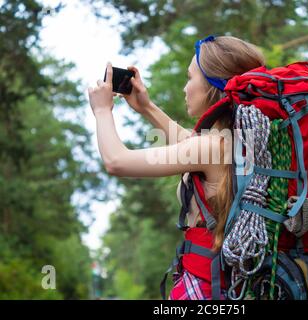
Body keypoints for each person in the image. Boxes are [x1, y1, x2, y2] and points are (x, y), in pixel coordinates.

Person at [87, 35, 265, 300]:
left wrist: (102, 111)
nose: (185, 88)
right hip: (234, 287)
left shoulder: (211, 147)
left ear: (213, 86)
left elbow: (116, 161)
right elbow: (188, 141)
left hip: (206, 288)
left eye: (190, 78)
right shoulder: (244, 140)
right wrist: (146, 107)